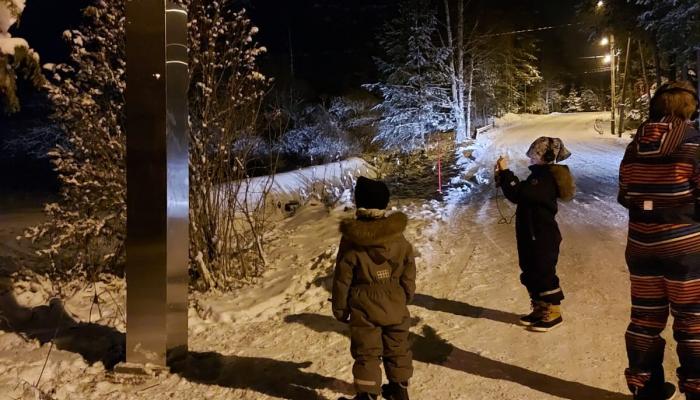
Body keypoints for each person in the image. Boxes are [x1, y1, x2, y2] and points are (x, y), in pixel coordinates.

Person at [618, 80, 700, 400]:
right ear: (688, 106)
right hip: (685, 248)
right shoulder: (694, 144)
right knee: (693, 319)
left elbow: (626, 195)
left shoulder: (634, 144)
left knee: (645, 316)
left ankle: (645, 387)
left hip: (641, 245)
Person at [333, 176, 416, 400]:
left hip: (364, 307)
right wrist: (405, 295)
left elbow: (342, 278)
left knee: (367, 353)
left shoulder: (352, 240)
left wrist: (340, 309)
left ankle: (368, 395)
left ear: (360, 204)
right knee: (397, 347)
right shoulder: (397, 236)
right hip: (395, 303)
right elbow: (409, 268)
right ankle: (399, 390)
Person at [495, 137, 575, 332]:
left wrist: (506, 173)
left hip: (541, 234)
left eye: (534, 154)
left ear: (545, 156)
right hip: (531, 232)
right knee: (530, 270)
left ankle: (553, 311)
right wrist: (504, 177)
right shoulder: (539, 175)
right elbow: (521, 193)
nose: (530, 158)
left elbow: (520, 193)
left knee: (543, 271)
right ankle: (540, 308)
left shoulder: (545, 177)